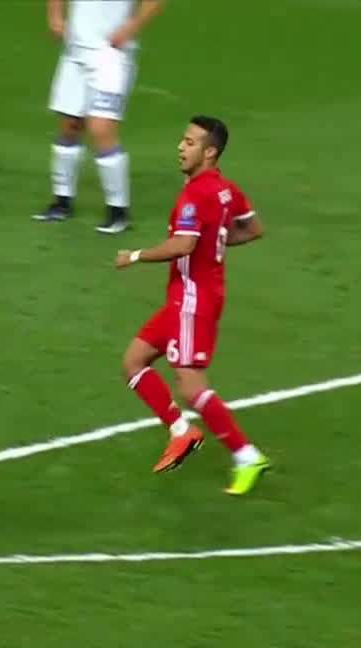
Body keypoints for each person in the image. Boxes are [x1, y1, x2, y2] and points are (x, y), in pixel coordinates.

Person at [114, 116, 270, 495]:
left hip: (192, 300)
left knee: (191, 386)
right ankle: (181, 430)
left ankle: (246, 456)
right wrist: (214, 242)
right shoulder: (226, 190)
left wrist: (135, 255)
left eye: (189, 142)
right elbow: (252, 229)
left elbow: (183, 245)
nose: (181, 148)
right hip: (188, 298)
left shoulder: (195, 195)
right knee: (133, 361)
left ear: (209, 152)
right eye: (182, 141)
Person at [31, 0, 164, 234]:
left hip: (110, 55)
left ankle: (118, 212)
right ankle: (62, 202)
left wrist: (131, 27)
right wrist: (55, 15)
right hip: (75, 51)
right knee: (70, 125)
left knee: (101, 129)